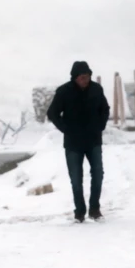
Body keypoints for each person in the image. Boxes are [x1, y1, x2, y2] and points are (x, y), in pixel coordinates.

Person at [47, 61, 110, 223]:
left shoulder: (96, 89)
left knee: (98, 173)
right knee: (76, 178)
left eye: (87, 77)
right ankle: (79, 212)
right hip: (73, 144)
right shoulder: (64, 92)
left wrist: (100, 126)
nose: (85, 80)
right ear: (75, 78)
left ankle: (94, 209)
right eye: (82, 77)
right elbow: (52, 113)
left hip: (93, 141)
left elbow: (105, 108)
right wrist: (66, 129)